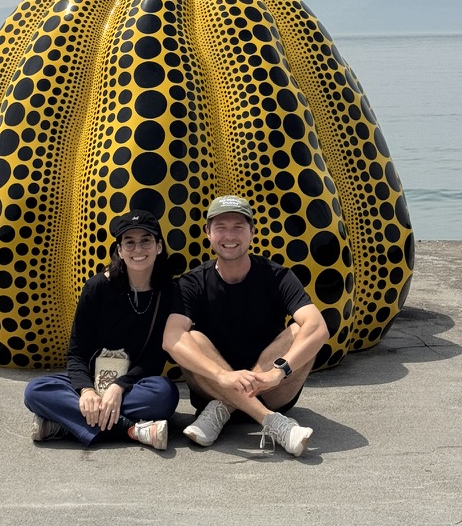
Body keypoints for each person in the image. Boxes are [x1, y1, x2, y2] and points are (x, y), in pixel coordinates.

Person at [163, 195, 329, 457]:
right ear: (208, 233)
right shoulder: (193, 283)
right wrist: (222, 376)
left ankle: (225, 408)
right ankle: (271, 421)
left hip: (271, 390)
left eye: (238, 227)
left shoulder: (278, 276)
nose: (229, 235)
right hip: (213, 388)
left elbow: (318, 328)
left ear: (252, 232)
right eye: (221, 227)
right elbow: (171, 338)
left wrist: (279, 372)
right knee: (190, 337)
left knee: (301, 331)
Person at [24, 209, 179, 450]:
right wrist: (86, 391)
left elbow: (155, 358)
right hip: (91, 380)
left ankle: (65, 425)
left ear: (158, 247)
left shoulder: (168, 293)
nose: (138, 249)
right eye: (129, 242)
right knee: (35, 391)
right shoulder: (97, 288)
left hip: (133, 386)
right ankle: (131, 429)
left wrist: (119, 386)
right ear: (119, 250)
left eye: (146, 241)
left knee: (165, 394)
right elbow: (76, 352)